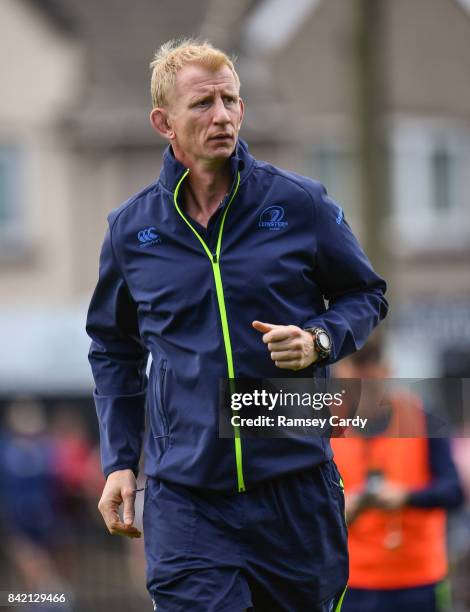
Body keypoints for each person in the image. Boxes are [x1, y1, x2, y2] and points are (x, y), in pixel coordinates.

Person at [86, 38, 388, 612]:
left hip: (295, 487)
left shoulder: (300, 204)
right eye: (202, 104)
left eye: (231, 100)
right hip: (187, 497)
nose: (222, 115)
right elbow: (112, 348)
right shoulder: (130, 231)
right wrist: (120, 461)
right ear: (163, 122)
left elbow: (365, 292)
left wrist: (320, 340)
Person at [332, 338, 464, 612]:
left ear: (386, 369)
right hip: (352, 582)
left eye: (371, 366)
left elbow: (454, 491)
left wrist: (405, 497)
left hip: (419, 580)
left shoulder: (422, 418)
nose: (365, 379)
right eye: (357, 368)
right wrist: (338, 512)